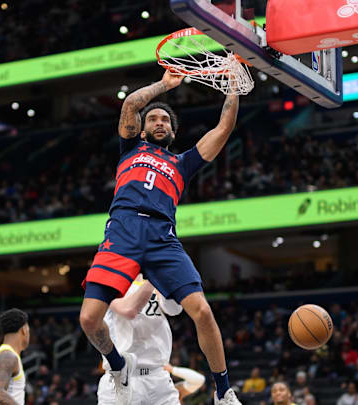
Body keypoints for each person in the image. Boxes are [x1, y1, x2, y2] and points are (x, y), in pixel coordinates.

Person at [78, 69, 241, 404]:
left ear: (172, 130)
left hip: (161, 236)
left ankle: (224, 392)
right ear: (144, 126)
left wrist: (234, 89)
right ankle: (117, 365)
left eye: (165, 119)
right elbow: (129, 106)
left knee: (203, 311)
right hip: (122, 231)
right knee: (88, 318)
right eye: (152, 118)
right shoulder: (129, 149)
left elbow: (223, 128)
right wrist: (164, 86)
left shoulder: (182, 163)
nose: (158, 122)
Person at [97, 275, 203, 405]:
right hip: (121, 378)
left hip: (158, 376)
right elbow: (128, 309)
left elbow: (174, 309)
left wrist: (159, 277)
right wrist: (154, 278)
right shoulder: (108, 278)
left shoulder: (153, 281)